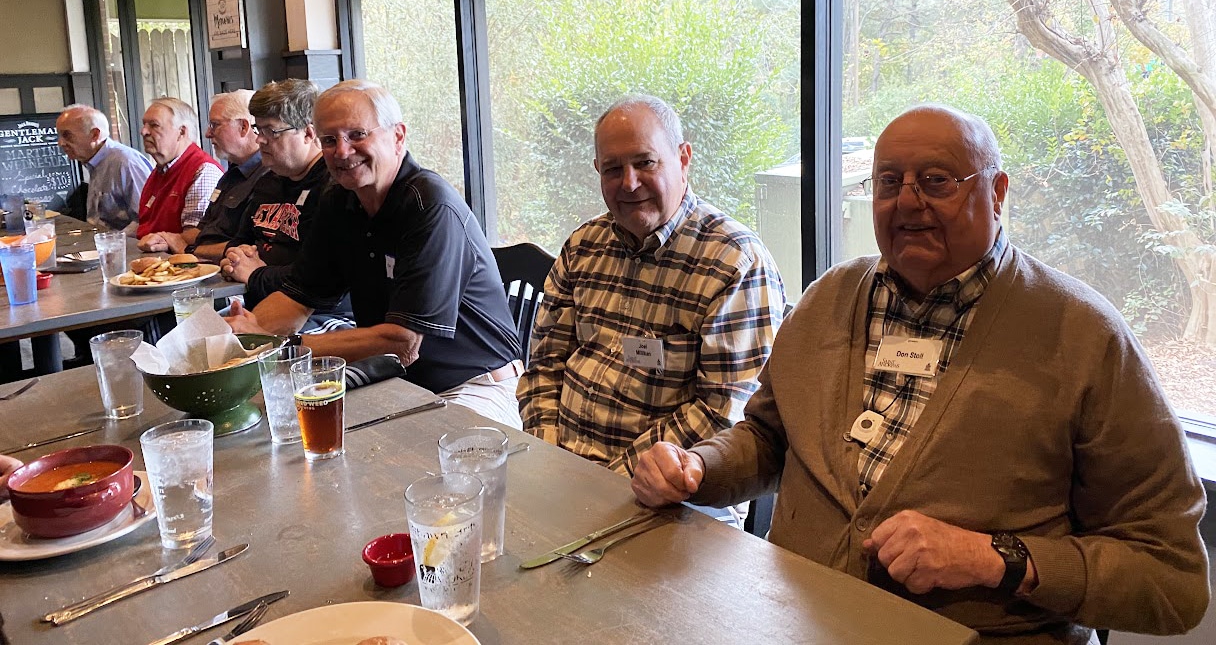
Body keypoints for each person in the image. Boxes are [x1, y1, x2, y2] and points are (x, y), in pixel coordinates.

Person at [630, 104, 1210, 644]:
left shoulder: (1085, 337)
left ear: (998, 192)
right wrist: (698, 466)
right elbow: (767, 438)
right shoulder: (829, 297)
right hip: (792, 620)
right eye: (888, 182)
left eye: (936, 181)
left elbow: (1172, 578)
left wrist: (992, 557)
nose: (907, 202)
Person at [225, 80, 523, 429]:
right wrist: (248, 336)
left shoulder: (430, 205)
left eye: (357, 134)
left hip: (473, 386)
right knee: (275, 426)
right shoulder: (339, 201)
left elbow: (402, 343)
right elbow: (297, 298)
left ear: (398, 137)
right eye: (330, 139)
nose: (342, 150)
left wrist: (281, 346)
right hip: (398, 381)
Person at [518, 94, 785, 479]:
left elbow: (723, 413)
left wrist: (611, 483)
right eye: (612, 169)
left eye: (645, 162)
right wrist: (552, 459)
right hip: (564, 476)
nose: (629, 183)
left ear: (683, 158)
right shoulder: (582, 247)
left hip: (674, 495)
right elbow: (543, 368)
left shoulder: (734, 262)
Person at [221, 79, 354, 333]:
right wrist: (236, 259)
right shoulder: (267, 182)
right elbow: (237, 242)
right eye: (258, 130)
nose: (260, 141)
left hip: (322, 315)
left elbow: (318, 276)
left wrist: (256, 274)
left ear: (308, 132)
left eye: (271, 131)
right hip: (260, 307)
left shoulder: (333, 187)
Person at [140, 90, 267, 260]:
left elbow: (248, 248)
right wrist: (166, 239)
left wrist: (189, 249)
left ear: (244, 127)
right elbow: (203, 230)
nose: (208, 133)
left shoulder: (268, 176)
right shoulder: (232, 175)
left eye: (215, 124)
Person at [135, 97, 222, 249]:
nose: (144, 132)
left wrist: (162, 240)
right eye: (144, 125)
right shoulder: (160, 170)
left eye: (154, 125)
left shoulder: (203, 171)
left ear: (181, 132)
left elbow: (195, 236)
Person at [55, 104, 153, 234]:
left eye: (67, 135)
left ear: (95, 135)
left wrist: (113, 241)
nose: (60, 143)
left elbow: (147, 218)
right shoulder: (95, 161)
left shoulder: (126, 163)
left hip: (125, 248)